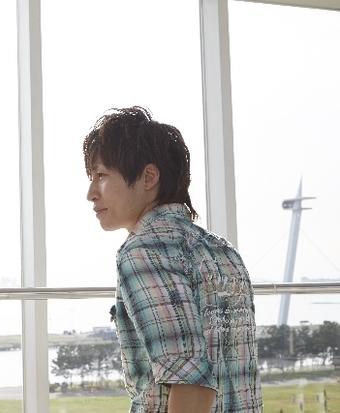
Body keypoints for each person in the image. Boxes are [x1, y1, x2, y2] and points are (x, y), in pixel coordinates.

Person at [83, 106, 263, 412]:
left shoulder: (143, 252)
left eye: (101, 176)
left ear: (148, 177)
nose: (91, 193)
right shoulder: (224, 252)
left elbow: (191, 381)